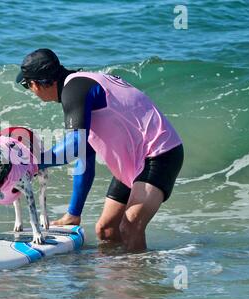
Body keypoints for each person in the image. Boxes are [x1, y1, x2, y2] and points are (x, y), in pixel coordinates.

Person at [16, 48, 184, 252]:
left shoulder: (75, 89)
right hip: (134, 160)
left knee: (131, 226)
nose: (31, 91)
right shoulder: (80, 85)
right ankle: (119, 276)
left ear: (35, 83)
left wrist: (31, 162)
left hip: (159, 153)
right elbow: (84, 155)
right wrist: (73, 213)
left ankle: (140, 281)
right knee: (106, 230)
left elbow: (74, 145)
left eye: (27, 85)